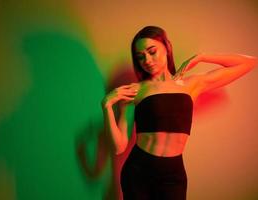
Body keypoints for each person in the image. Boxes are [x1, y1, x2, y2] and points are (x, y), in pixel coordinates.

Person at [101, 26, 257, 200]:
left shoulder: (193, 84)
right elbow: (119, 147)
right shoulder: (136, 90)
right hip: (139, 171)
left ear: (167, 47)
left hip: (173, 173)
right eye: (140, 56)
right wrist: (107, 106)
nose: (147, 60)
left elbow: (249, 62)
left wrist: (201, 57)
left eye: (152, 51)